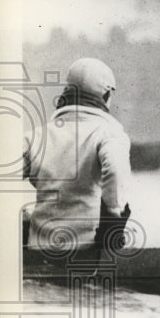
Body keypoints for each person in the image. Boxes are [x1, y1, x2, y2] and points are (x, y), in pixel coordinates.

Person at [23, 58, 132, 252]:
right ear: (106, 94)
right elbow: (115, 171)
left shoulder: (36, 136)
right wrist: (112, 225)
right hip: (87, 251)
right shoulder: (110, 133)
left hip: (37, 248)